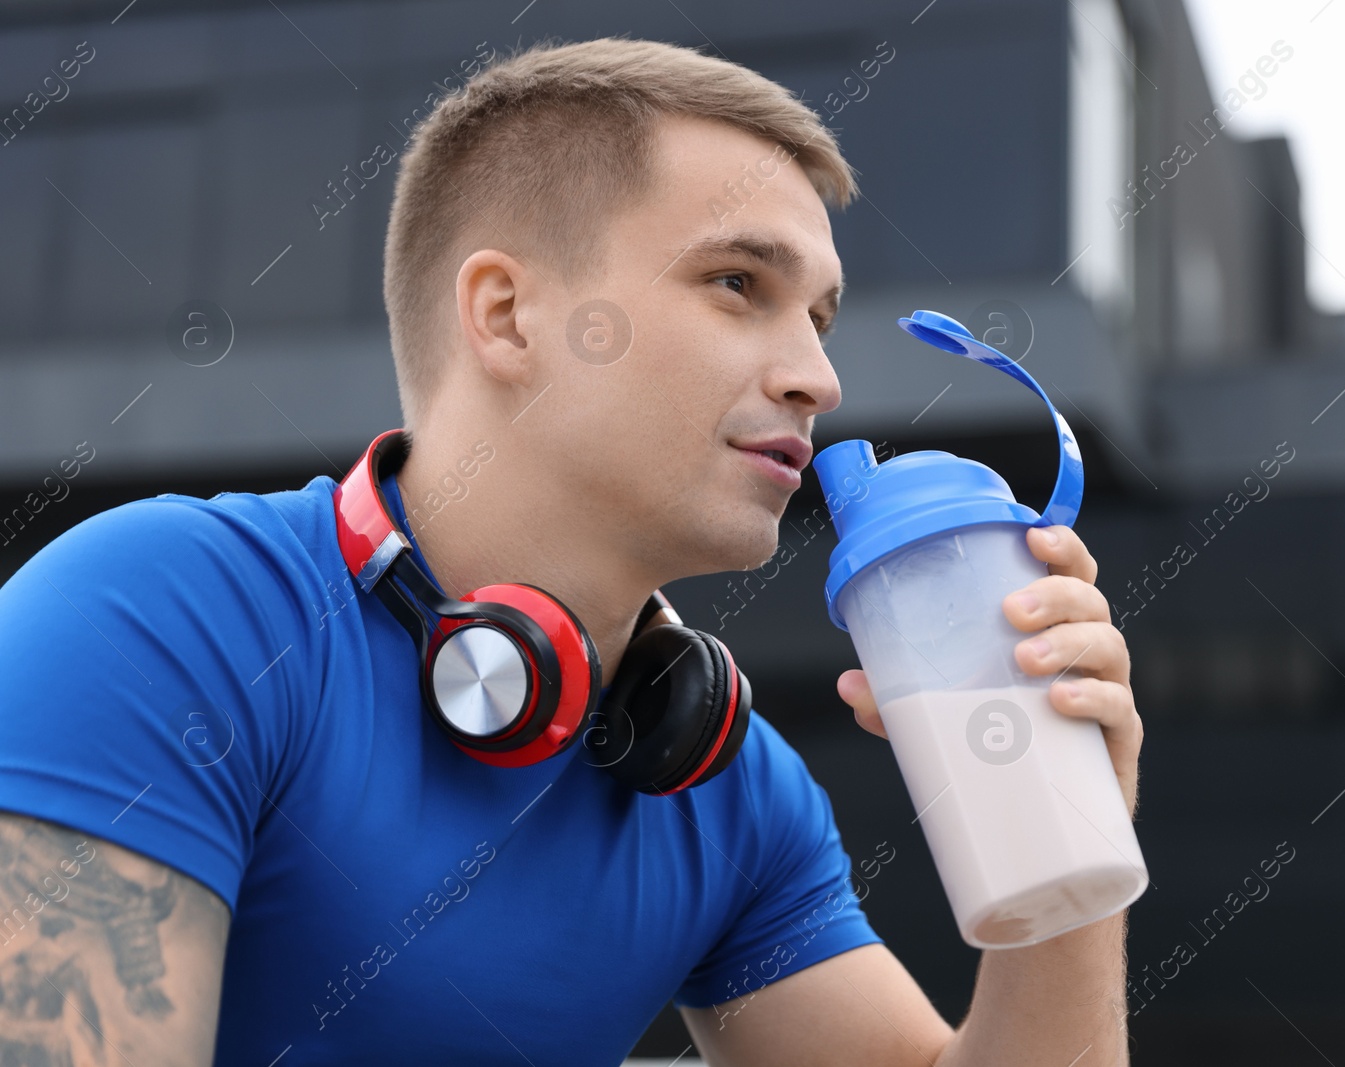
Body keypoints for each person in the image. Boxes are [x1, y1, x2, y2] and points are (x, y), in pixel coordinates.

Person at [0, 36, 1144, 1066]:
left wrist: (1074, 837)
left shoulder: (733, 788)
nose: (818, 377)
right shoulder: (157, 616)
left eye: (821, 316)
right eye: (738, 284)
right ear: (505, 315)